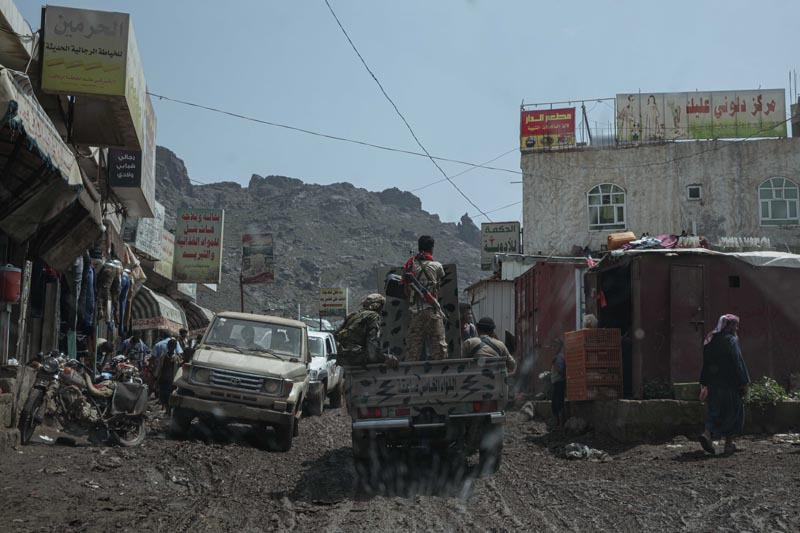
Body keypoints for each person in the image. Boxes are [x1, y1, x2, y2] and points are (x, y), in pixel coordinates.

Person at [698, 314, 751, 455]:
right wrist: (744, 381)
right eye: (734, 325)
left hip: (714, 384)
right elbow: (737, 361)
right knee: (734, 412)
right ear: (727, 326)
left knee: (714, 411)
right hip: (730, 385)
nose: (737, 328)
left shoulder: (710, 340)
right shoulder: (731, 340)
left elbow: (706, 362)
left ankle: (707, 434)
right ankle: (728, 444)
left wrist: (704, 382)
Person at [404, 235, 447, 361]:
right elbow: (439, 284)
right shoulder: (437, 266)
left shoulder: (410, 266)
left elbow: (406, 289)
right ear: (432, 248)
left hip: (415, 313)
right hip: (432, 312)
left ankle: (411, 378)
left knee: (413, 351)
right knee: (439, 350)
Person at [335, 293, 398, 368]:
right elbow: (372, 350)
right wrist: (385, 358)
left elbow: (336, 334)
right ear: (378, 306)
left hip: (343, 358)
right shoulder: (373, 316)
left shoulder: (353, 315)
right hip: (357, 358)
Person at [154, 339, 180, 412]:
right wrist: (156, 376)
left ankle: (168, 411)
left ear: (174, 347)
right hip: (163, 379)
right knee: (163, 396)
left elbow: (177, 370)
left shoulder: (176, 358)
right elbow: (159, 367)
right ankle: (166, 410)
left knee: (169, 396)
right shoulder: (163, 356)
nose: (170, 348)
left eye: (172, 346)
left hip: (171, 380)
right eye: (169, 346)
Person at [550, 338, 566, 427]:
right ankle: (557, 423)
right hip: (556, 382)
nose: (553, 348)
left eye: (555, 346)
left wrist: (554, 364)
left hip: (559, 382)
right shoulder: (557, 357)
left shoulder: (559, 357)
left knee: (558, 403)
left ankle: (560, 423)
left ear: (560, 347)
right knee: (555, 403)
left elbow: (561, 371)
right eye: (552, 346)